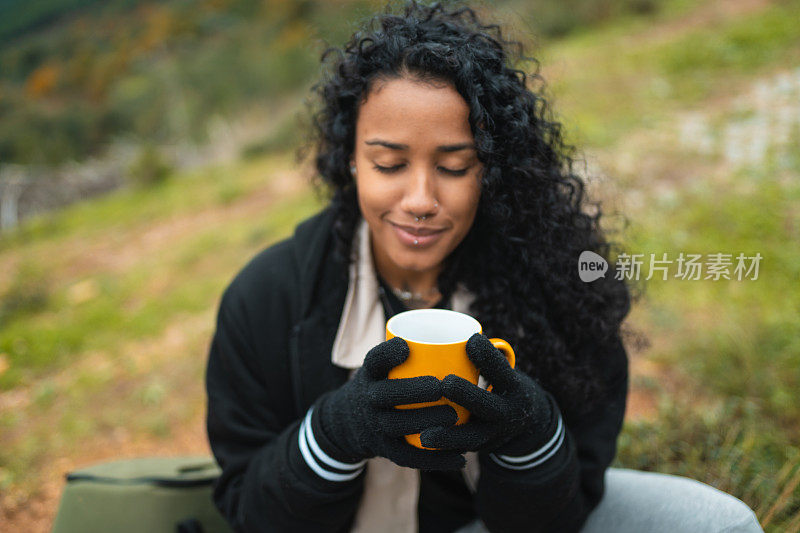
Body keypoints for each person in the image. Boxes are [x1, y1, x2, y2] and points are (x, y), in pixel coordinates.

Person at [204, 2, 763, 532]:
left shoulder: (561, 286)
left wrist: (532, 436)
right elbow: (251, 515)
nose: (420, 198)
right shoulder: (267, 298)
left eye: (454, 166)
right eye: (389, 163)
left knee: (719, 522)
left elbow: (561, 516)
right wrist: (330, 436)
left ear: (492, 169)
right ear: (350, 156)